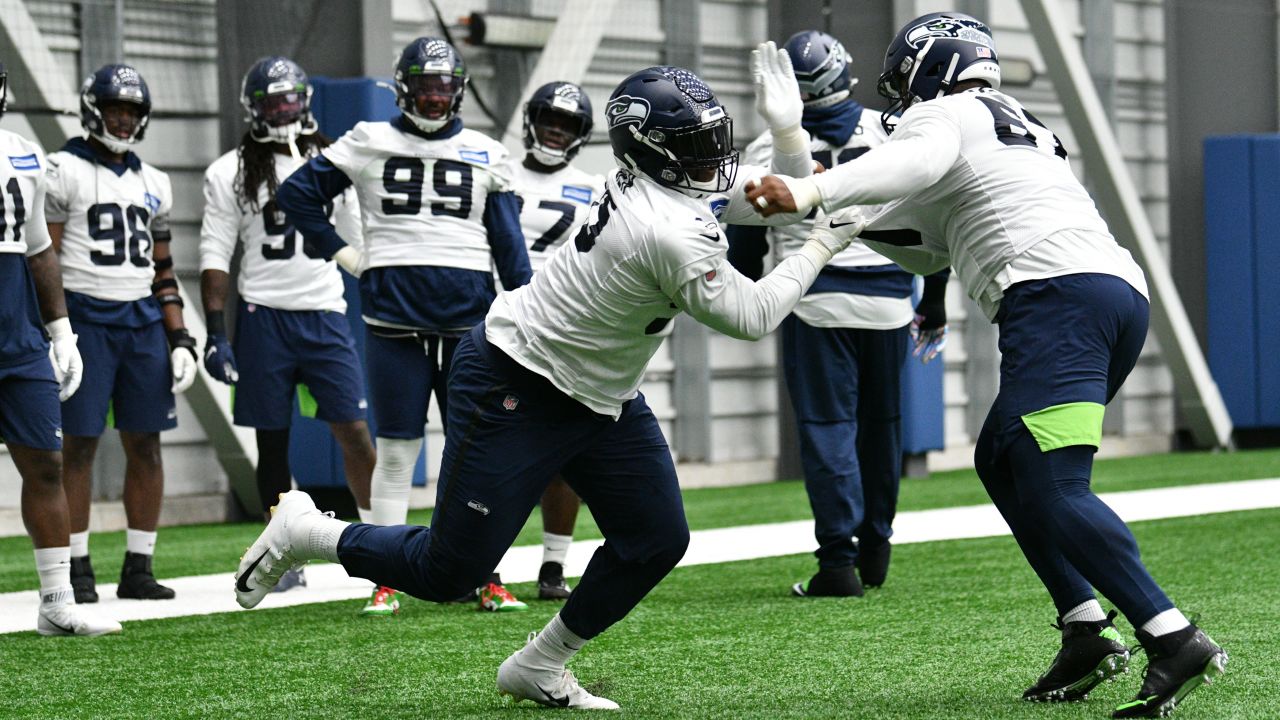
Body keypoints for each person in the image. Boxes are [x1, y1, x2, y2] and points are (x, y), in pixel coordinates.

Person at [236, 49, 863, 709]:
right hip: (521, 379)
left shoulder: (660, 184)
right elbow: (753, 313)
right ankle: (309, 531)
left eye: (714, 140)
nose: (714, 156)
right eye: (696, 144)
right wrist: (824, 244)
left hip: (598, 392)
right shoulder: (667, 228)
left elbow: (778, 200)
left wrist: (793, 147)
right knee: (450, 570)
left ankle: (540, 665)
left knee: (655, 539)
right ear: (652, 149)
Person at [743, 13, 1227, 718]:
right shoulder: (1009, 126)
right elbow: (923, 244)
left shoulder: (947, 114)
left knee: (1056, 485)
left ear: (926, 71)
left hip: (1056, 300)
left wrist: (812, 190)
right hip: (1108, 296)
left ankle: (1171, 634)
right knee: (1004, 458)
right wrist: (816, 189)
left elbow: (908, 166)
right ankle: (1085, 626)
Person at [276, 37, 533, 615]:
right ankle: (385, 576)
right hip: (394, 321)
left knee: (477, 453)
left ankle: (485, 573)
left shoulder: (485, 150)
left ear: (459, 90)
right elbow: (297, 196)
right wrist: (344, 254)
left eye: (445, 86)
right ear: (403, 88)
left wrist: (524, 309)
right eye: (425, 85)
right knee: (395, 453)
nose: (436, 96)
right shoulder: (369, 139)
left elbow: (509, 245)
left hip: (472, 326)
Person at [726, 29, 949, 598]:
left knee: (828, 432)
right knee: (882, 429)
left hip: (814, 298)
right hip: (890, 303)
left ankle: (838, 562)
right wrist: (938, 299)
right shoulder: (889, 130)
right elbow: (933, 216)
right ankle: (876, 545)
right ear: (845, 74)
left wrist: (750, 286)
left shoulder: (764, 148)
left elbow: (746, 231)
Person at [200, 56, 376, 594]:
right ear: (253, 109)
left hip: (324, 310)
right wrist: (215, 330)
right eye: (272, 102)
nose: (283, 111)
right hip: (263, 314)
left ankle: (378, 542)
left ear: (306, 101)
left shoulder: (333, 159)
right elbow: (215, 252)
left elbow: (357, 237)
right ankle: (279, 553)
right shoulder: (228, 169)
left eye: (290, 99)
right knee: (272, 442)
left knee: (353, 431)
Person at [47, 63, 197, 604]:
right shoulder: (62, 169)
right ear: (93, 111)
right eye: (115, 110)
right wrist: (54, 327)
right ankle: (76, 567)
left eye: (132, 112)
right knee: (79, 446)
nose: (123, 120)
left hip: (141, 321)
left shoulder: (154, 181)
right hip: (85, 317)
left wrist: (179, 336)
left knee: (147, 445)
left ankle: (138, 566)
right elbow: (48, 260)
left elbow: (164, 267)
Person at [0, 60, 120, 637]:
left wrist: (62, 331)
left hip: (18, 338)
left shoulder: (23, 151)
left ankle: (55, 601)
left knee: (45, 464)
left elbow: (39, 249)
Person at [506, 80, 605, 600]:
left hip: (566, 326)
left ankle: (552, 568)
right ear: (532, 119)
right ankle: (486, 566)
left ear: (580, 135)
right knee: (499, 451)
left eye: (567, 124)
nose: (555, 129)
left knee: (566, 454)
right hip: (505, 322)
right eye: (550, 119)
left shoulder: (592, 187)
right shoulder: (502, 171)